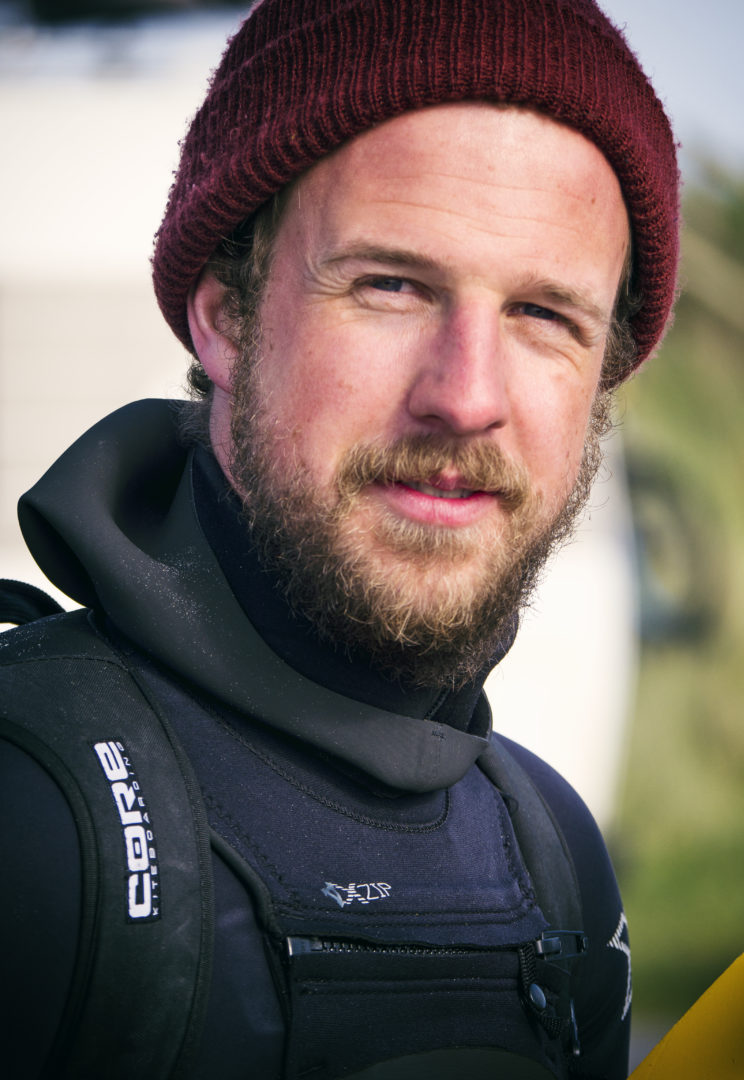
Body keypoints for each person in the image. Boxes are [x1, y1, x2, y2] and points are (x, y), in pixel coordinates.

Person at [0, 1, 679, 1077]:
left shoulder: (556, 856)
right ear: (225, 318)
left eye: (546, 315)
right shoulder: (26, 809)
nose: (467, 397)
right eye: (391, 286)